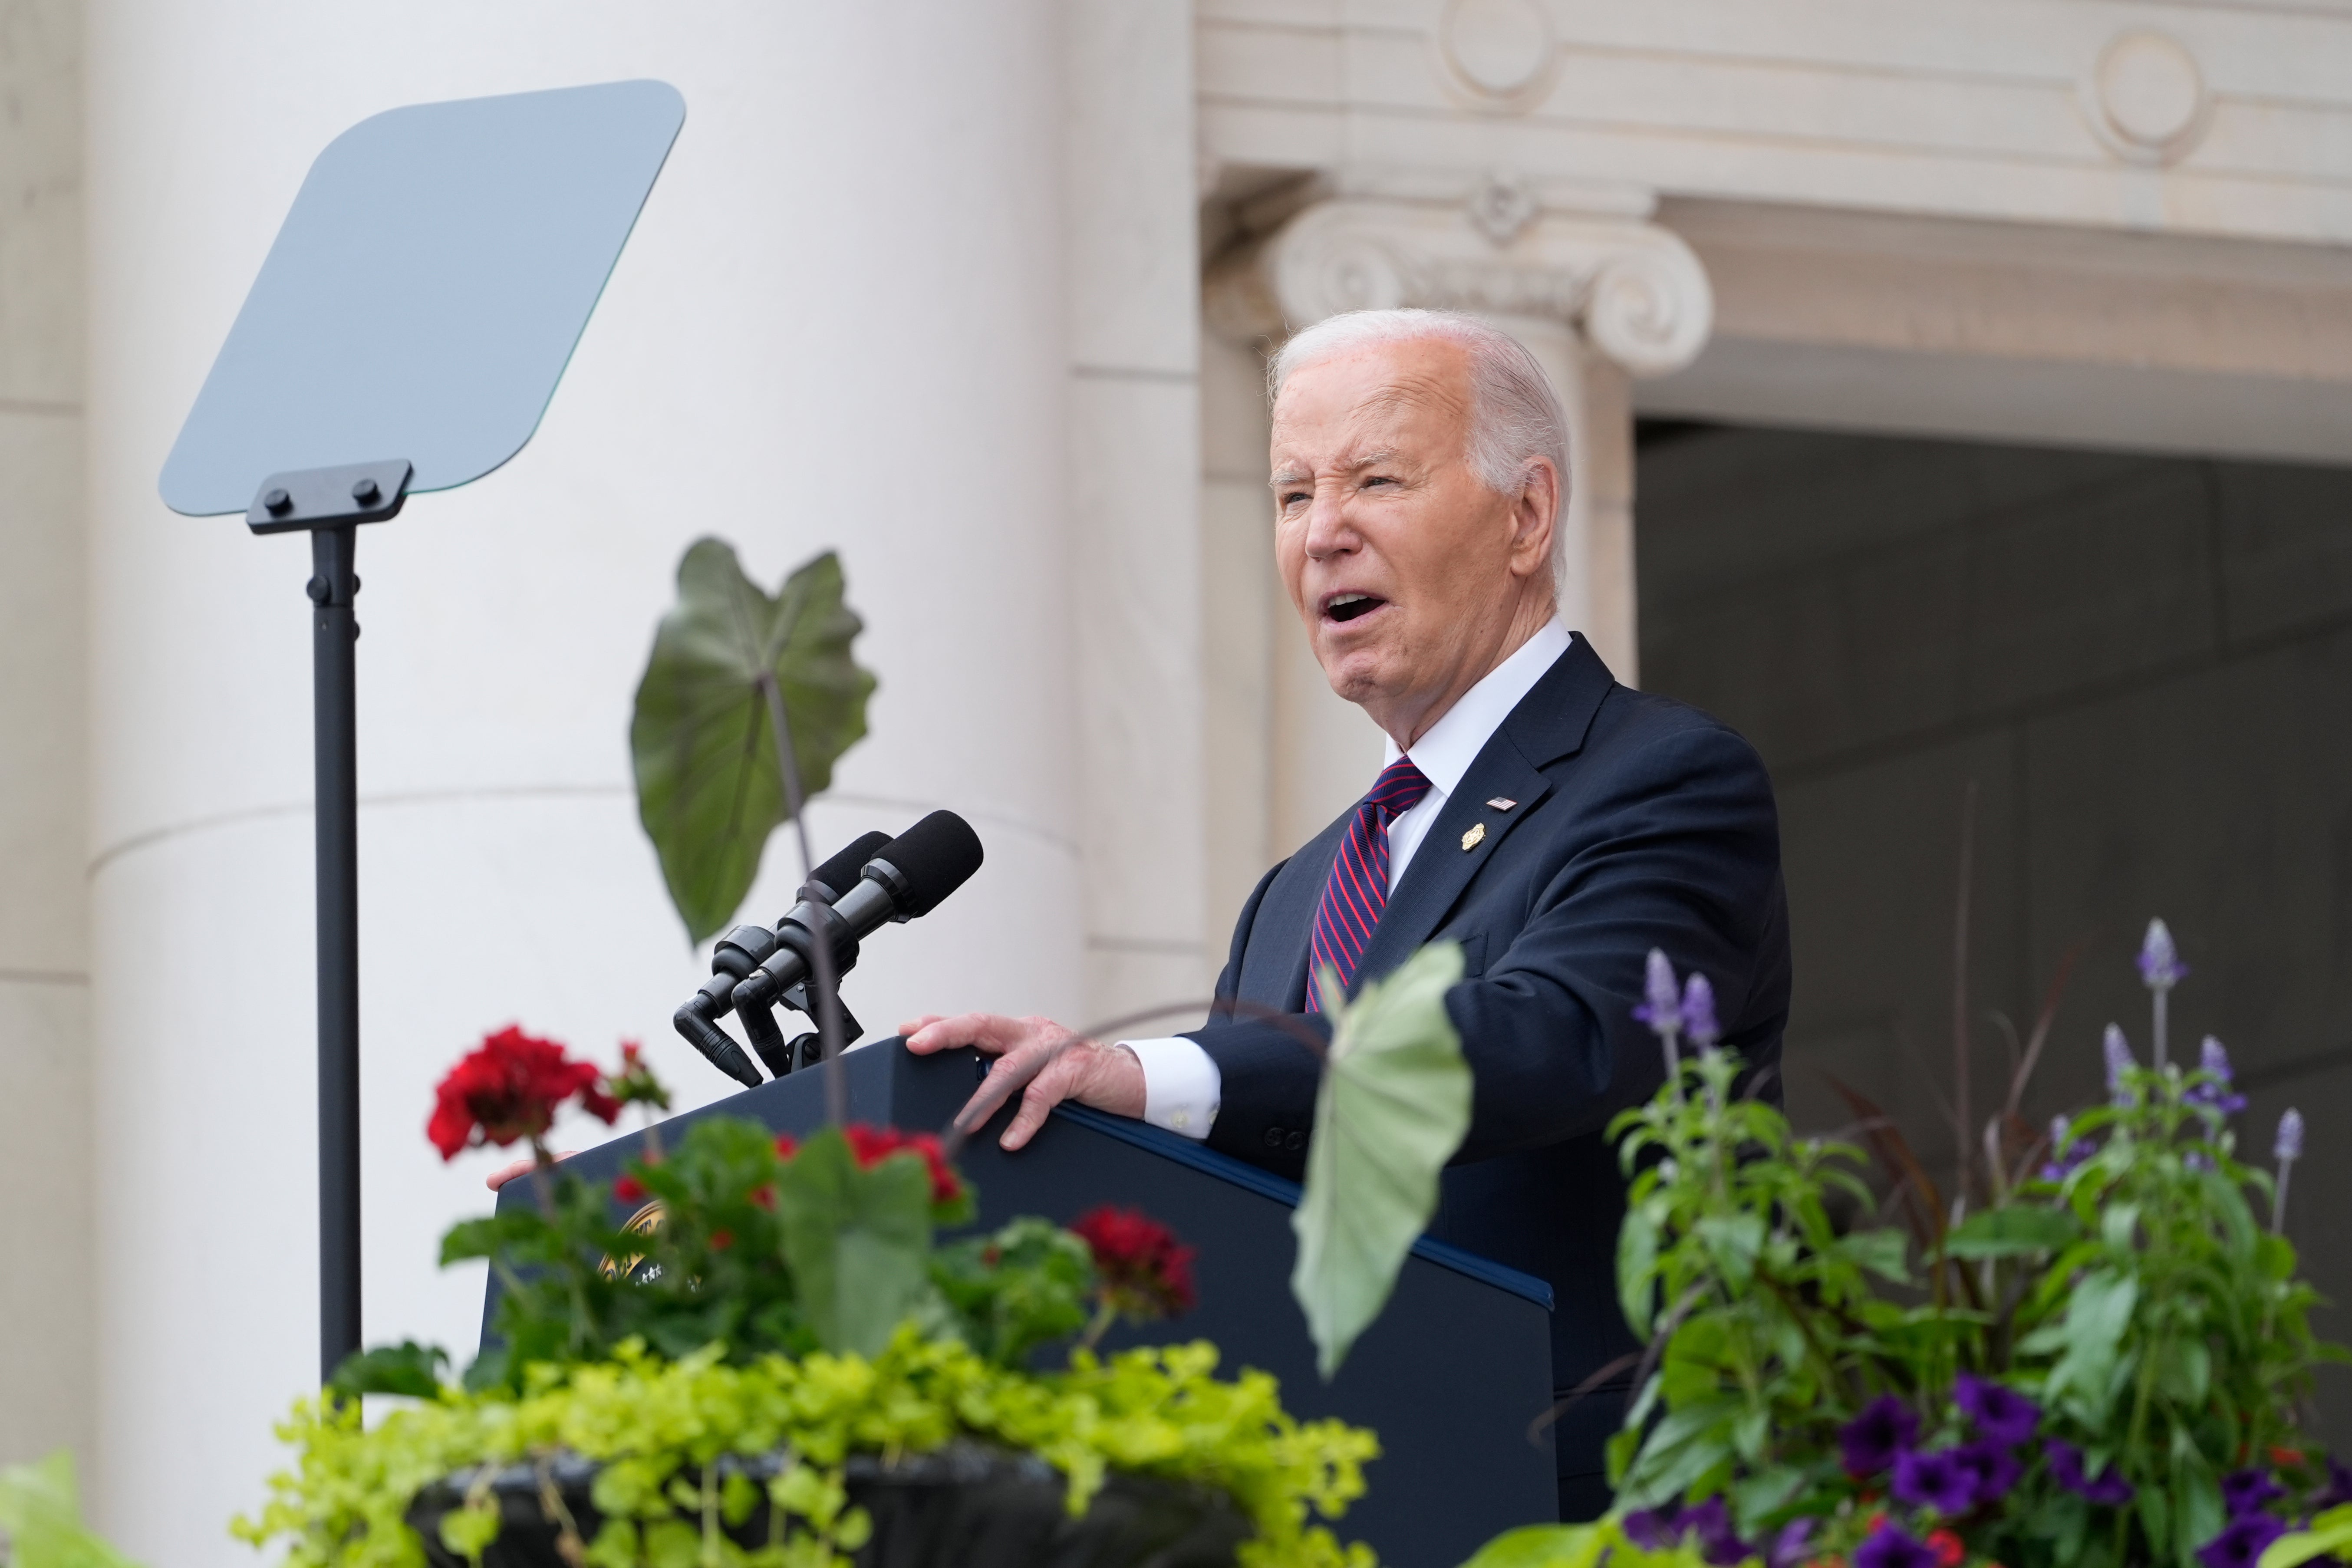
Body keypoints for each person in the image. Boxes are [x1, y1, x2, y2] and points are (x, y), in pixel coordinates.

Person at [902, 307, 1791, 1520]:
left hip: (1586, 1512)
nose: (1323, 534)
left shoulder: (1661, 779)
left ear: (1526, 515)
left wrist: (1147, 1074)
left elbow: (1551, 1034)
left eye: (1375, 478)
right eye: (1289, 494)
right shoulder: (1294, 893)